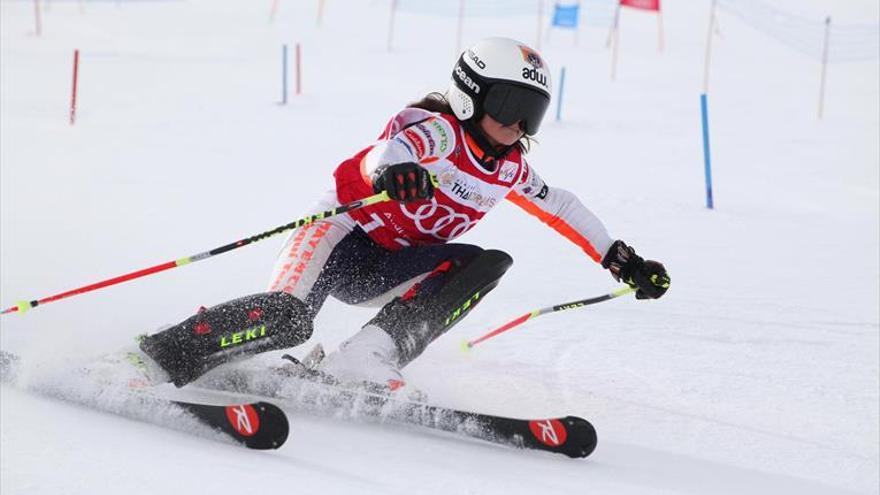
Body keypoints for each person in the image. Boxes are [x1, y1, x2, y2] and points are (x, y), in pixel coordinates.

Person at [138, 37, 670, 391]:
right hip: (339, 238)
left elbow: (561, 205)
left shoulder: (508, 168)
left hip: (388, 266)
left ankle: (365, 356)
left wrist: (619, 259)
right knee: (289, 320)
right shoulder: (438, 130)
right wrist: (393, 173)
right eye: (508, 106)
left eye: (530, 112)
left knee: (487, 261)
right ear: (471, 96)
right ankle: (159, 354)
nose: (517, 125)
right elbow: (387, 150)